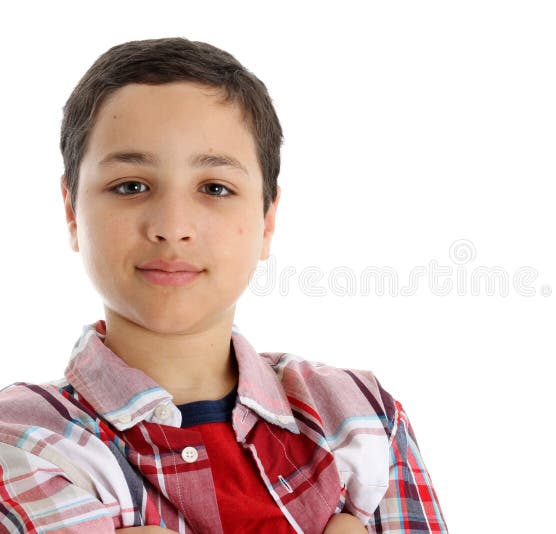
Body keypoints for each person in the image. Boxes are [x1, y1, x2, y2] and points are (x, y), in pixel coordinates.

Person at [0, 37, 447, 533]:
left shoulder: (361, 414)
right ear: (71, 209)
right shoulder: (23, 441)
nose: (172, 225)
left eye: (215, 188)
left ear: (268, 218)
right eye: (130, 186)